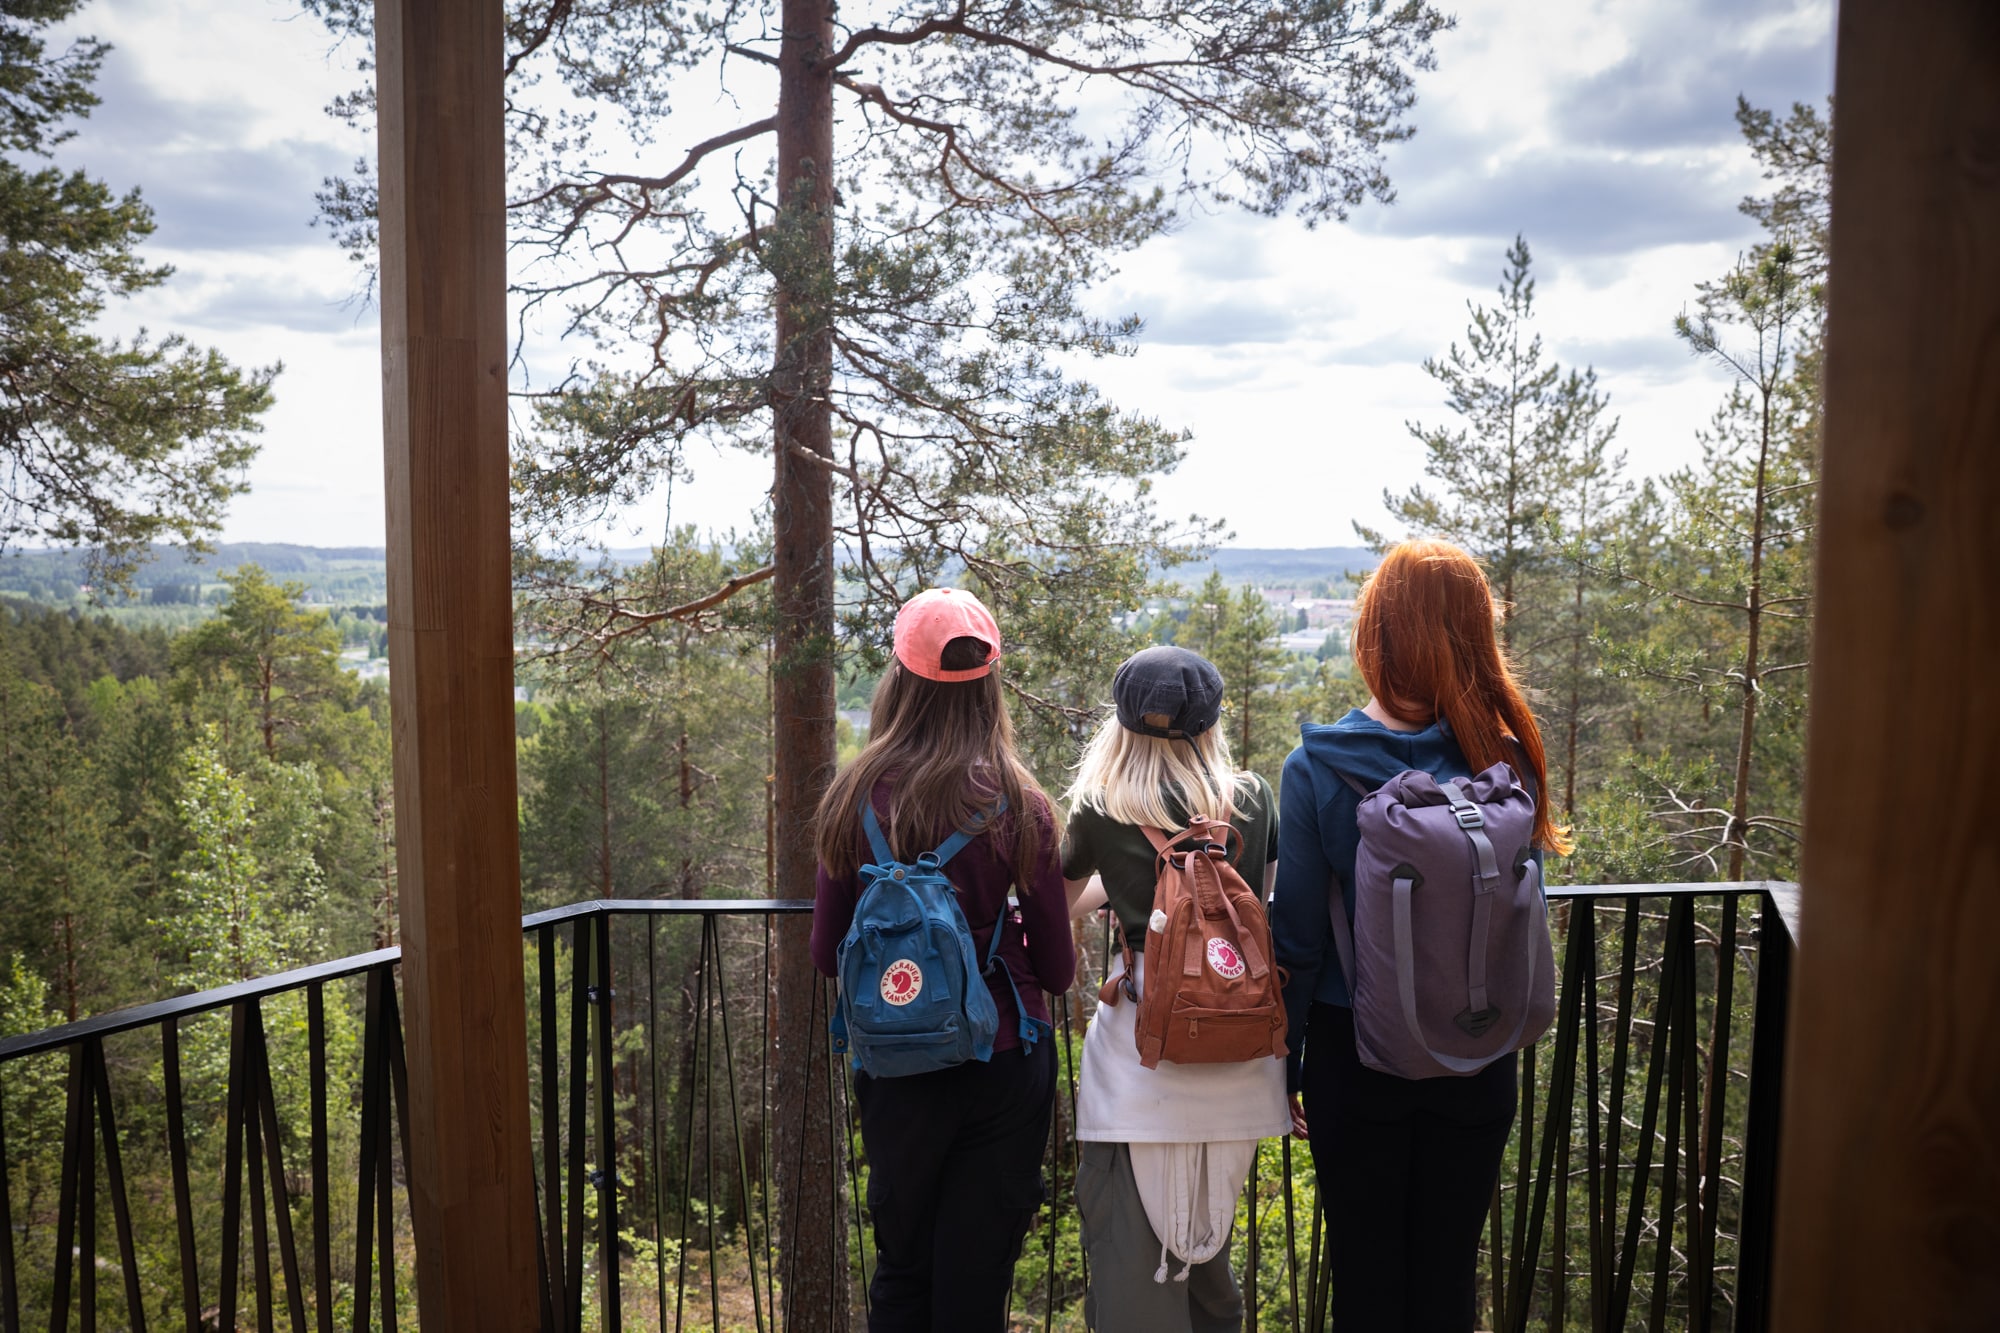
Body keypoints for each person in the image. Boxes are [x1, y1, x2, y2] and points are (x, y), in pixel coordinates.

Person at [1269, 540, 1571, 1331]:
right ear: (1474, 638)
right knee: (1447, 1278)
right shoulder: (1504, 758)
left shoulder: (1316, 767)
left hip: (1356, 1054)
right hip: (1477, 1051)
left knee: (1366, 1280)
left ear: (1375, 633)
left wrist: (1285, 1063)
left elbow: (1296, 939)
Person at [810, 587, 1075, 1333]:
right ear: (989, 686)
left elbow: (827, 955)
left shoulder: (853, 798)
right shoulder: (1019, 802)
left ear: (899, 680)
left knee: (902, 1273)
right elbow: (1058, 972)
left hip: (896, 1066)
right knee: (974, 1285)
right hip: (1002, 1059)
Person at [1060, 645, 1294, 1333]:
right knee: (1208, 1267)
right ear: (1211, 722)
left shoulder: (1103, 805)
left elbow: (1061, 902)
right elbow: (1255, 903)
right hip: (1241, 1065)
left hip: (1142, 1071)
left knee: (1134, 1270)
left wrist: (1123, 884)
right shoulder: (1251, 797)